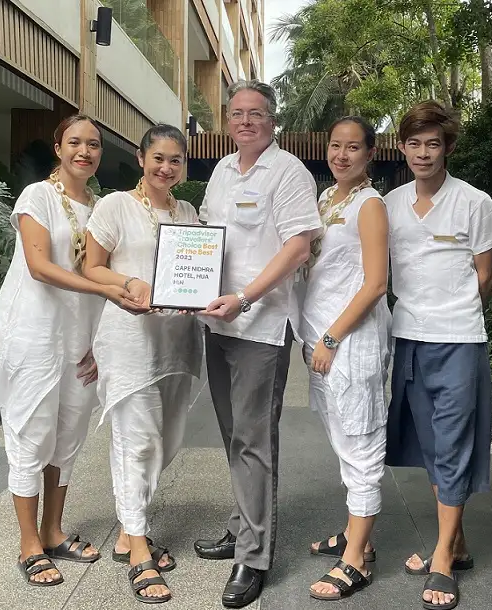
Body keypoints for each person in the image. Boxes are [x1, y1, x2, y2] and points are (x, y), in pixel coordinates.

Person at [0, 114, 142, 587]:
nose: (84, 152)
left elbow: (105, 266)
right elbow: (39, 266)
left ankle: (53, 531)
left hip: (80, 340)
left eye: (93, 144)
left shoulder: (100, 208)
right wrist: (108, 291)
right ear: (58, 148)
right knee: (30, 435)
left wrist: (99, 335)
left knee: (67, 438)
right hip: (33, 336)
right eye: (75, 142)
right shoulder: (38, 196)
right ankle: (29, 543)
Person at [192, 79, 322, 609]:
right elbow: (205, 238)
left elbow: (298, 247)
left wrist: (244, 298)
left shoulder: (288, 172)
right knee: (234, 436)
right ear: (227, 121)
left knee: (253, 439)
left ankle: (253, 557)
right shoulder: (222, 170)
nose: (245, 121)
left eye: (256, 113)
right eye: (237, 113)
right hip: (216, 322)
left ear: (272, 121)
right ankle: (241, 527)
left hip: (259, 327)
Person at [384, 101, 492, 610]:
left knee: (453, 441)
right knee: (433, 445)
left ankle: (441, 559)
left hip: (459, 339)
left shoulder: (474, 202)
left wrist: (454, 315)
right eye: (414, 143)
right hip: (409, 337)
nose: (423, 153)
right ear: (402, 147)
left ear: (448, 147)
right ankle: (456, 542)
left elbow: (485, 276)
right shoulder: (390, 204)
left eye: (432, 143)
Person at [83, 124, 203, 604]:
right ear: (141, 157)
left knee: (166, 441)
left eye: (175, 160)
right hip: (130, 339)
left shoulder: (188, 213)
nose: (166, 168)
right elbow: (92, 267)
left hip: (177, 342)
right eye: (159, 158)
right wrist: (129, 283)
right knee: (137, 442)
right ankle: (138, 550)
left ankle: (127, 531)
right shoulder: (115, 206)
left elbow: (197, 270)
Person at [300, 116, 391, 601]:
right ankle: (358, 535)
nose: (341, 155)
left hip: (349, 344)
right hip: (322, 343)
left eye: (353, 147)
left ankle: (355, 559)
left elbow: (375, 284)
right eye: (335, 145)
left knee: (360, 443)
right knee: (341, 440)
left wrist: (333, 337)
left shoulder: (370, 204)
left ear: (369, 153)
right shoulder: (325, 199)